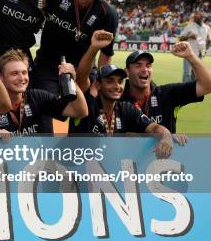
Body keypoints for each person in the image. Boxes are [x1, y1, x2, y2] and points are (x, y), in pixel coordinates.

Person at [71, 31, 173, 159]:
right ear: (98, 85)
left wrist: (167, 137)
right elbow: (82, 77)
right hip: (71, 168)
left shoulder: (126, 108)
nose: (117, 86)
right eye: (109, 81)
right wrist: (94, 48)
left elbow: (154, 128)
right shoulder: (86, 105)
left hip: (103, 170)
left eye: (120, 81)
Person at [30, 0, 118, 95]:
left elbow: (106, 55)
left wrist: (100, 85)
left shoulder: (108, 14)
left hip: (82, 73)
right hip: (47, 66)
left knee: (86, 112)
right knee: (47, 107)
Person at [121, 45, 211, 136]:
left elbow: (209, 85)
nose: (144, 69)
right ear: (127, 71)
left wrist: (191, 56)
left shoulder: (167, 93)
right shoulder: (117, 100)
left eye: (148, 65)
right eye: (138, 65)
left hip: (164, 153)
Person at [0, 49, 87, 136]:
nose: (21, 78)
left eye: (24, 72)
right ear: (0, 76)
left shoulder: (38, 97)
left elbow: (80, 111)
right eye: (14, 73)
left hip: (38, 156)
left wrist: (72, 81)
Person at [178, 12, 211, 82]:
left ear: (202, 18)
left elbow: (209, 40)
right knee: (187, 73)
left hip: (200, 53)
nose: (195, 18)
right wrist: (189, 36)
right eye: (194, 17)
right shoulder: (189, 26)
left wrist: (205, 50)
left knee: (196, 72)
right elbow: (181, 38)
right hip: (189, 52)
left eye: (197, 16)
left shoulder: (207, 28)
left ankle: (193, 89)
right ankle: (184, 89)